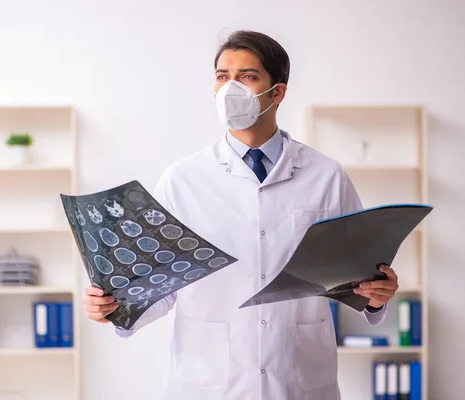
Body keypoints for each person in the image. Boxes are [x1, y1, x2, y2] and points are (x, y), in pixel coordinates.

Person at [82, 30, 400, 400]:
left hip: (299, 379)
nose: (231, 88)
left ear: (277, 92)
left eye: (247, 77)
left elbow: (354, 278)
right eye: (222, 77)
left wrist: (377, 295)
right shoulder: (183, 179)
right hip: (209, 382)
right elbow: (162, 289)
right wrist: (116, 306)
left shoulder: (326, 176)